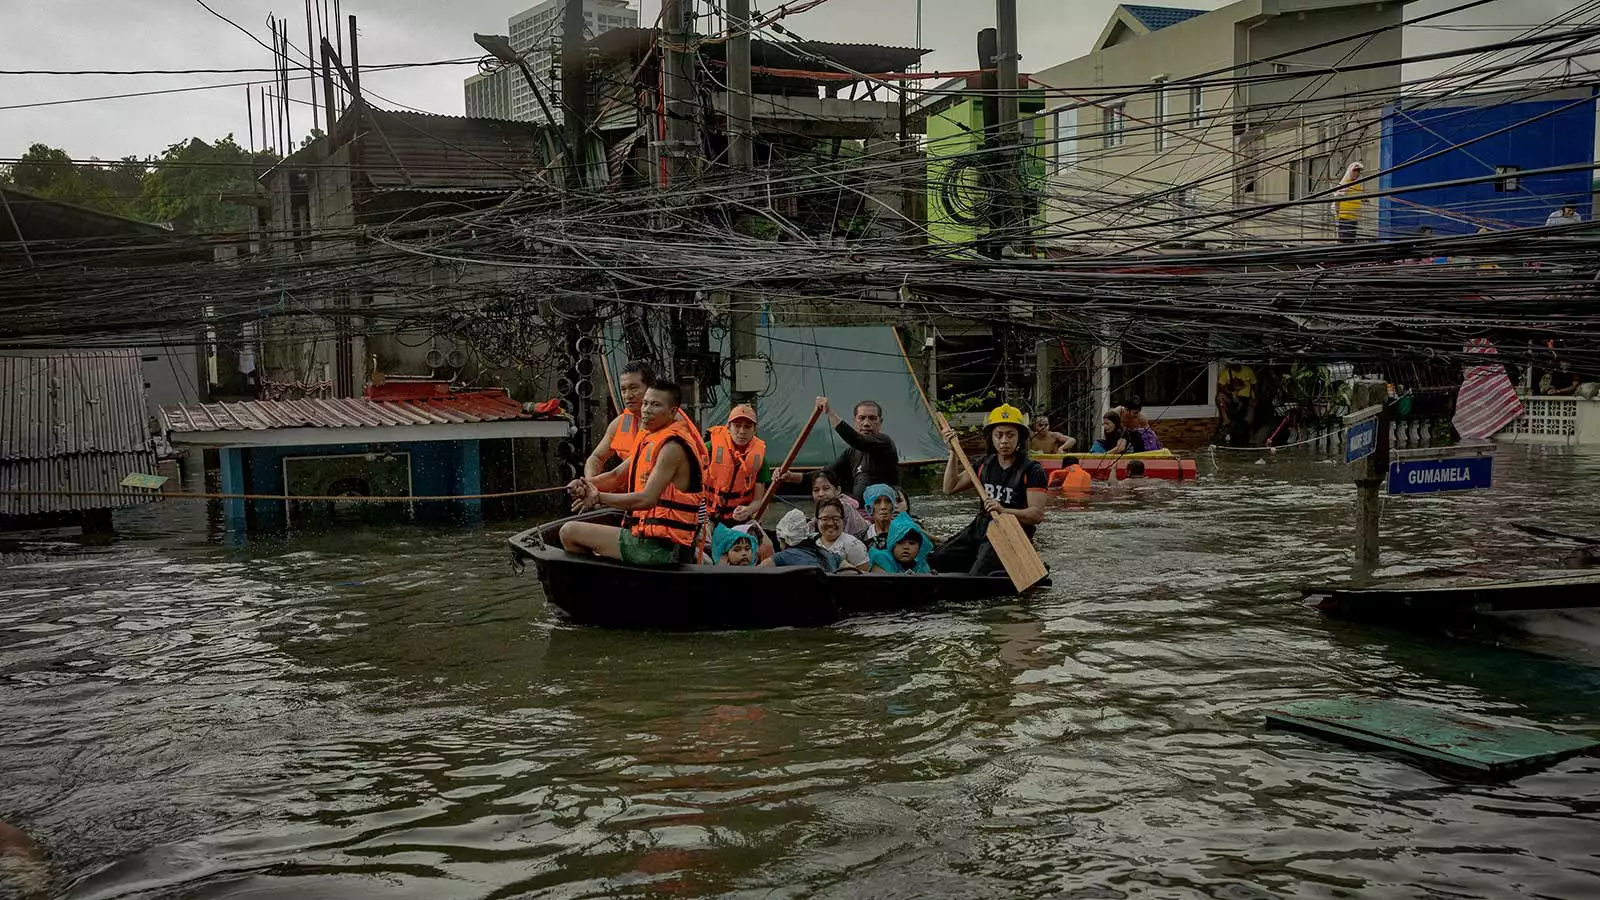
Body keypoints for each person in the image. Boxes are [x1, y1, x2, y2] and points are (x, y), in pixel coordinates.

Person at [561, 381, 707, 564]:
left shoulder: (672, 448)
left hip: (661, 549)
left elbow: (647, 499)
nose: (646, 410)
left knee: (568, 532)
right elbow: (615, 476)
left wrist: (598, 498)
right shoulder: (651, 440)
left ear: (673, 412)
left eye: (656, 405)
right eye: (645, 403)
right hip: (648, 539)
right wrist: (585, 485)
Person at [928, 404, 1049, 577]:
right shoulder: (984, 464)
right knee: (936, 560)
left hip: (1010, 534)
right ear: (991, 437)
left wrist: (1004, 510)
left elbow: (1036, 515)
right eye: (999, 435)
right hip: (980, 527)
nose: (1004, 441)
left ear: (1020, 438)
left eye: (1010, 435)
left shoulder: (1032, 470)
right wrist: (953, 453)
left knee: (978, 576)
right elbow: (949, 488)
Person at [814, 396, 900, 500]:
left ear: (880, 422)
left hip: (884, 512)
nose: (866, 424)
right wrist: (792, 477)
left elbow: (858, 441)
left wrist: (829, 412)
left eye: (872, 418)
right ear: (855, 421)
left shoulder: (884, 442)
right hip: (859, 511)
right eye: (861, 418)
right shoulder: (850, 452)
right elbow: (826, 473)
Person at [704, 404, 770, 525]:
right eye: (737, 426)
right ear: (728, 427)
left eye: (747, 427)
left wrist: (747, 510)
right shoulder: (710, 448)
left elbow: (757, 501)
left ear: (754, 430)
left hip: (739, 519)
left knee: (767, 544)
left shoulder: (760, 460)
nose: (742, 431)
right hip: (707, 517)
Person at [764, 508, 839, 570]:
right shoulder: (829, 555)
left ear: (783, 539)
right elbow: (849, 570)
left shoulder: (781, 557)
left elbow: (755, 573)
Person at [814, 498, 871, 573]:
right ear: (817, 520)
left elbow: (866, 576)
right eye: (825, 519)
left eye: (835, 518)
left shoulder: (853, 544)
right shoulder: (811, 541)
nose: (830, 523)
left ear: (843, 520)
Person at [808, 470, 869, 538]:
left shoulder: (844, 507)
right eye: (816, 490)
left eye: (826, 489)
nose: (821, 494)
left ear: (838, 490)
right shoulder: (820, 509)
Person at [869, 512, 934, 574]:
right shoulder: (882, 561)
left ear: (920, 547)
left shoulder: (922, 566)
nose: (906, 547)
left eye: (911, 543)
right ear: (892, 545)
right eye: (900, 542)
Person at [1331, 161, 1364, 244]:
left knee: (1351, 241)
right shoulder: (1345, 184)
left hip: (1354, 218)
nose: (1357, 173)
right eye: (1355, 171)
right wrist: (1337, 214)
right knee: (1344, 241)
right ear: (1350, 171)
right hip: (1345, 218)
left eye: (1358, 171)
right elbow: (1337, 199)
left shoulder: (1358, 185)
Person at [862, 483, 898, 551]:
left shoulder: (903, 533)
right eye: (877, 502)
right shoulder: (864, 538)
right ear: (869, 508)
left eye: (888, 501)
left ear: (893, 506)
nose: (883, 507)